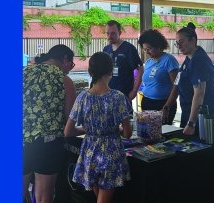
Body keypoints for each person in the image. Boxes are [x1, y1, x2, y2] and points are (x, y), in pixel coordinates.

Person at [64, 52, 132, 203]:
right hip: (111, 152)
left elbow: (67, 131)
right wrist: (117, 130)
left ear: (90, 71)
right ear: (111, 71)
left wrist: (87, 130)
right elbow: (127, 133)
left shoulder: (82, 97)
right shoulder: (118, 97)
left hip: (89, 152)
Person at [23, 44, 77, 203]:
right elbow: (69, 120)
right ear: (65, 59)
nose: (69, 69)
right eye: (71, 65)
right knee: (43, 196)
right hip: (48, 143)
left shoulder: (22, 72)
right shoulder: (65, 80)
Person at [167, 22, 214, 136]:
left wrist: (191, 123)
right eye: (177, 43)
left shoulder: (199, 60)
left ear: (193, 40)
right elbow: (177, 83)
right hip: (188, 110)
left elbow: (199, 93)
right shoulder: (188, 59)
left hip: (202, 114)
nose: (179, 46)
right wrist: (166, 107)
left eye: (181, 42)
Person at [137, 29, 179, 125]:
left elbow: (176, 86)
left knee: (162, 134)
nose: (147, 52)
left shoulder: (169, 60)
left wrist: (167, 107)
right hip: (147, 102)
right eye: (145, 49)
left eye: (149, 49)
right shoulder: (148, 62)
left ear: (158, 46)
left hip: (163, 104)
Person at [103, 20, 144, 106]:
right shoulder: (106, 49)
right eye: (107, 33)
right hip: (108, 95)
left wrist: (134, 91)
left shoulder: (129, 48)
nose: (110, 36)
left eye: (113, 33)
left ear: (120, 32)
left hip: (124, 95)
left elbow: (140, 69)